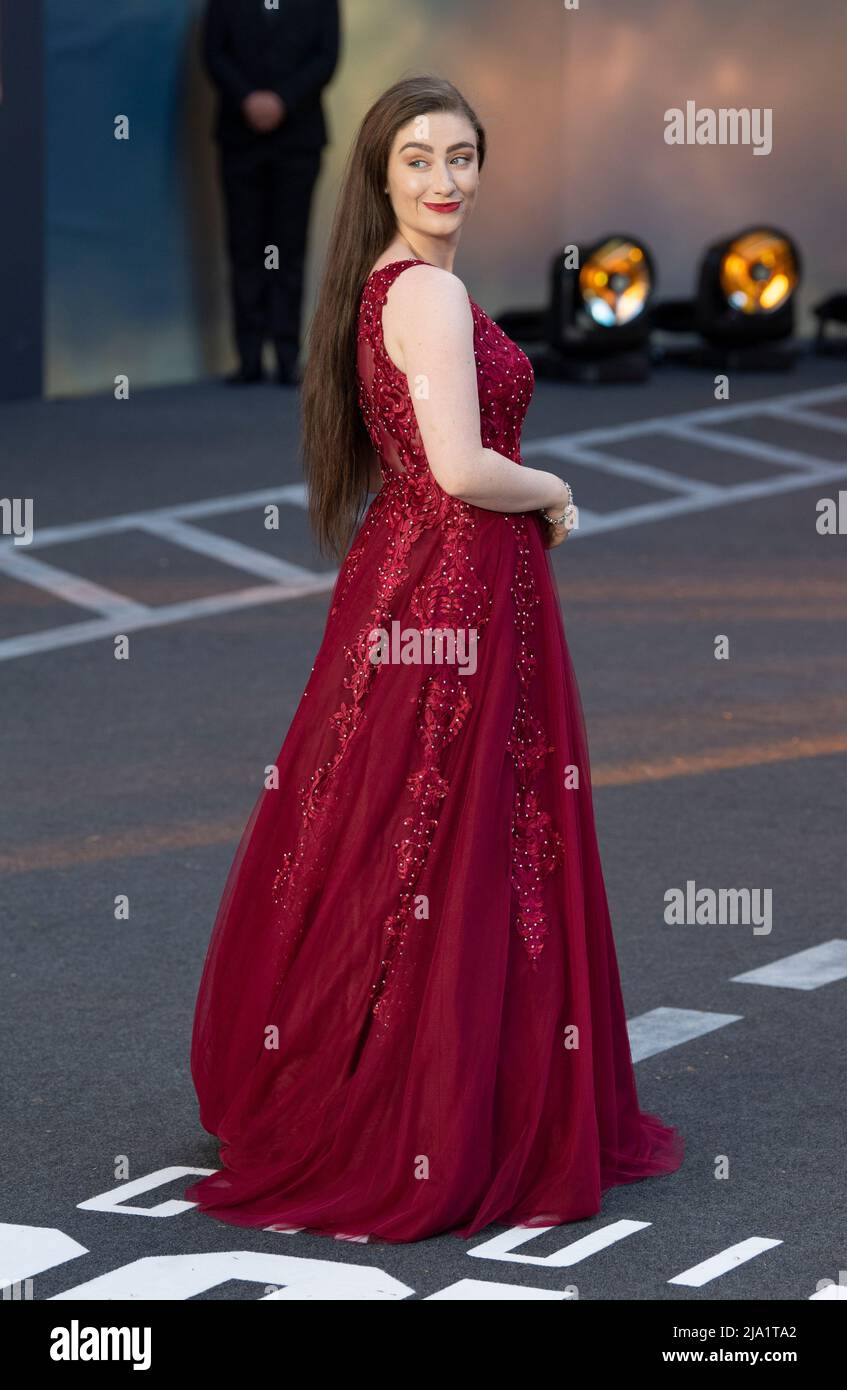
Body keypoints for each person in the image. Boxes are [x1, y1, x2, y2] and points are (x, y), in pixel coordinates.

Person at [185, 74, 684, 1243]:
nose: (443, 180)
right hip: (459, 578)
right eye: (417, 159)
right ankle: (427, 1102)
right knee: (451, 838)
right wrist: (556, 486)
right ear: (378, 173)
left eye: (461, 157)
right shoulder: (428, 301)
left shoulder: (378, 286)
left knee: (393, 829)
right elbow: (462, 467)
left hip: (412, 575)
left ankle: (378, 1070)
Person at [203, 0, 339, 385]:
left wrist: (282, 100)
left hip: (298, 140)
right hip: (238, 138)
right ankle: (248, 356)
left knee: (287, 249)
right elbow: (214, 55)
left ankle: (286, 354)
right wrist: (248, 99)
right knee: (244, 246)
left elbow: (326, 59)